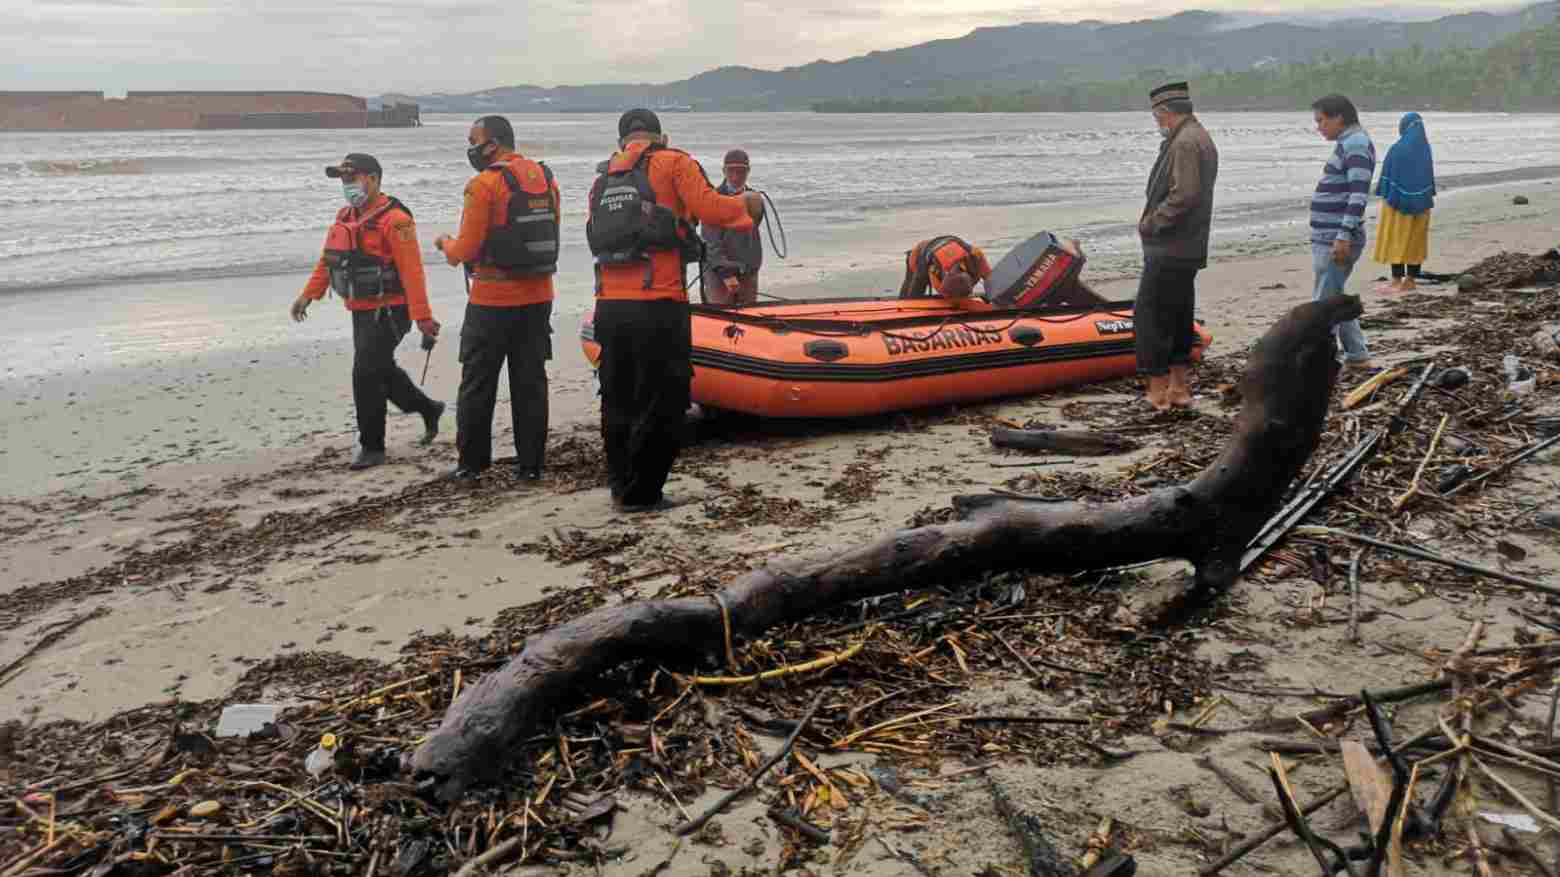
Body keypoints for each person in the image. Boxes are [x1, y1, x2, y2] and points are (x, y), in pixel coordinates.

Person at [588, 109, 764, 512]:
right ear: (658, 136)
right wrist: (747, 207)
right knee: (665, 398)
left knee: (616, 396)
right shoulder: (675, 162)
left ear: (623, 141)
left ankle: (620, 484)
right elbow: (712, 210)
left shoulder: (602, 180)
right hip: (658, 303)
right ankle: (645, 493)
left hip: (609, 305)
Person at [291, 153, 443, 471]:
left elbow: (412, 272)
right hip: (360, 310)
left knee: (365, 374)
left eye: (354, 178)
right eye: (344, 180)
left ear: (373, 179)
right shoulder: (345, 216)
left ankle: (372, 447)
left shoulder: (396, 220)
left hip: (392, 311)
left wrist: (423, 319)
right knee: (380, 370)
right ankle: (429, 408)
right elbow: (328, 261)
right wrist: (308, 295)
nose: (348, 185)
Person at [433, 115, 560, 483]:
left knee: (477, 383)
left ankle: (473, 464)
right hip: (539, 296)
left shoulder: (483, 184)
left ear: (493, 144)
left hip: (491, 300)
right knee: (530, 382)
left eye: (473, 140)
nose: (470, 148)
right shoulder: (547, 179)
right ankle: (531, 465)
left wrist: (445, 244)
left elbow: (466, 249)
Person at [1135, 81, 1218, 411]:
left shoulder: (1184, 142)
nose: (1158, 124)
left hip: (1171, 244)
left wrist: (1152, 222)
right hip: (1188, 244)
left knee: (1151, 316)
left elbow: (1184, 194)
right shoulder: (1197, 136)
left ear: (1165, 113)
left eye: (1158, 118)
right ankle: (1179, 388)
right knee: (1179, 313)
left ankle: (1157, 391)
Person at [1310, 94, 1376, 368]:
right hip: (1329, 235)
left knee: (1323, 305)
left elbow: (1359, 195)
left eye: (1321, 120)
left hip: (1336, 237)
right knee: (1334, 296)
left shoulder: (1356, 144)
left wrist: (1343, 235)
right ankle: (1357, 354)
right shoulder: (1348, 143)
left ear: (1339, 117)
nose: (1319, 127)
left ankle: (1317, 359)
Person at [1373, 112, 1436, 291]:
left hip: (1397, 204)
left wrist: (1388, 194)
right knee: (1415, 241)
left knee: (1397, 238)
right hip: (1422, 204)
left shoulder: (1398, 148)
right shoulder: (1425, 149)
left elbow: (1388, 174)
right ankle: (1410, 281)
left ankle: (1396, 280)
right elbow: (1428, 177)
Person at [700, 149, 763, 305]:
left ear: (748, 171)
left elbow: (753, 236)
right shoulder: (712, 199)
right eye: (731, 171)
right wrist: (725, 273)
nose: (736, 176)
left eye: (741, 171)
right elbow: (710, 243)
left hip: (747, 271)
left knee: (750, 320)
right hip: (718, 273)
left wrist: (752, 269)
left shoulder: (755, 198)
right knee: (719, 320)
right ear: (723, 171)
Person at [898, 236, 992, 300]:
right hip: (918, 255)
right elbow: (914, 299)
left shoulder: (977, 257)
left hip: (945, 245)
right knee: (908, 296)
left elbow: (993, 282)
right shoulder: (932, 272)